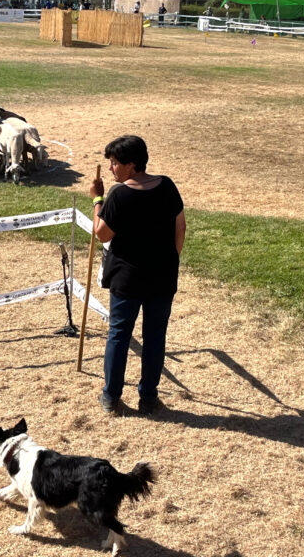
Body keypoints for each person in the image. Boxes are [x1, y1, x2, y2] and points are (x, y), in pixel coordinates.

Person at [89, 135, 186, 415]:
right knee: (155, 337)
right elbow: (180, 227)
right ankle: (149, 398)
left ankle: (111, 397)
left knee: (119, 335)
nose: (111, 168)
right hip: (162, 277)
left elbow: (101, 232)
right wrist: (170, 259)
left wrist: (97, 199)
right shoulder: (167, 186)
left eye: (115, 163)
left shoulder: (119, 195)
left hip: (127, 280)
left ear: (131, 165)